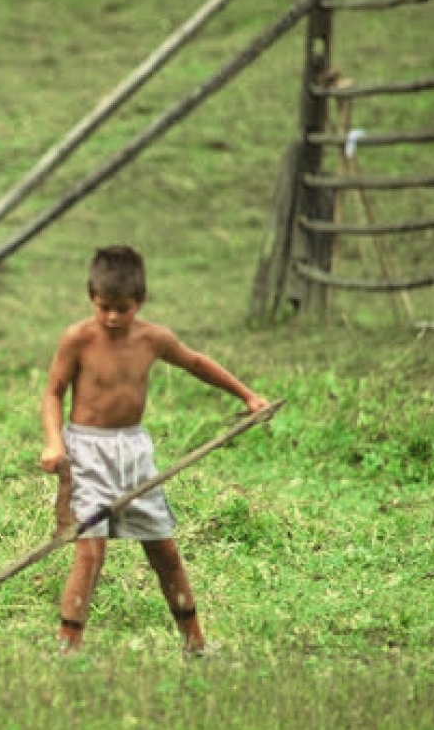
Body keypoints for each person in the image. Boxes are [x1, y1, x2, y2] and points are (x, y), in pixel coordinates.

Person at [39, 245, 269, 654]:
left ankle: (195, 643)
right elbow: (53, 392)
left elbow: (196, 363)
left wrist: (247, 396)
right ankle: (67, 647)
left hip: (133, 453)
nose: (112, 317)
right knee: (90, 551)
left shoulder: (153, 338)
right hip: (86, 454)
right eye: (103, 306)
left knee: (162, 548)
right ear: (91, 298)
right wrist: (55, 442)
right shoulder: (78, 338)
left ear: (139, 302)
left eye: (122, 309)